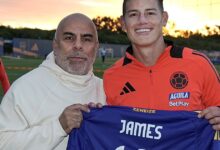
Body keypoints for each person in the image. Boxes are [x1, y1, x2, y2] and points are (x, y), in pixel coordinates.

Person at [103, 0, 220, 131]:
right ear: (123, 23)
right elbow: (110, 130)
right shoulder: (111, 77)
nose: (142, 20)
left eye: (150, 13)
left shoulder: (198, 64)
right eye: (133, 14)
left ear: (164, 19)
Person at [0, 13, 106, 150]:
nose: (78, 45)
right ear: (55, 46)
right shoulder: (25, 88)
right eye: (69, 38)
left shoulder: (107, 90)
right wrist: (58, 128)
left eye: (86, 39)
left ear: (96, 47)